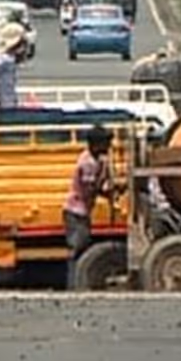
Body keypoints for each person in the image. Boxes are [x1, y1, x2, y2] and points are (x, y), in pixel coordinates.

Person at [62, 124, 113, 290]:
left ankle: (76, 284)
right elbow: (89, 189)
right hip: (76, 210)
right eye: (106, 143)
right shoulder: (88, 163)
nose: (109, 147)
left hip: (80, 210)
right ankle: (74, 285)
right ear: (96, 144)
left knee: (81, 246)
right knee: (78, 247)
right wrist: (109, 191)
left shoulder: (94, 159)